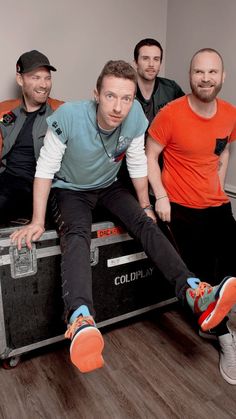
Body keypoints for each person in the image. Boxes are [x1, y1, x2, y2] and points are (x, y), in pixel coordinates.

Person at [10, 60, 236, 378]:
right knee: (77, 233)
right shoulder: (69, 117)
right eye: (111, 96)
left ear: (133, 100)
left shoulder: (135, 120)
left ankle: (194, 293)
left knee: (146, 223)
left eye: (126, 98)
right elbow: (45, 170)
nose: (118, 107)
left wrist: (145, 205)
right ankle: (80, 317)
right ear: (97, 94)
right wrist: (36, 220)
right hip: (70, 189)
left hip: (108, 186)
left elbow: (137, 164)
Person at [146, 48, 236, 385]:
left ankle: (219, 320)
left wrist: (220, 184)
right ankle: (225, 339)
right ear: (190, 76)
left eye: (213, 72)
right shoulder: (170, 114)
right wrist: (161, 196)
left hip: (217, 203)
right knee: (200, 281)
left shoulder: (230, 113)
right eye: (199, 72)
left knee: (230, 269)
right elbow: (149, 155)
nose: (206, 78)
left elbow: (222, 148)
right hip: (182, 208)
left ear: (222, 77)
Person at [0, 49, 63, 225]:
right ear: (20, 79)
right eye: (36, 77)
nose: (44, 84)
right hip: (7, 181)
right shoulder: (5, 111)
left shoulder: (61, 112)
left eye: (47, 78)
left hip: (40, 185)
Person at [134, 38, 185, 126]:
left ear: (160, 63)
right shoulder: (125, 89)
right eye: (145, 58)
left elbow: (187, 115)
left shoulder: (171, 88)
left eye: (156, 59)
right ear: (136, 63)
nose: (151, 64)